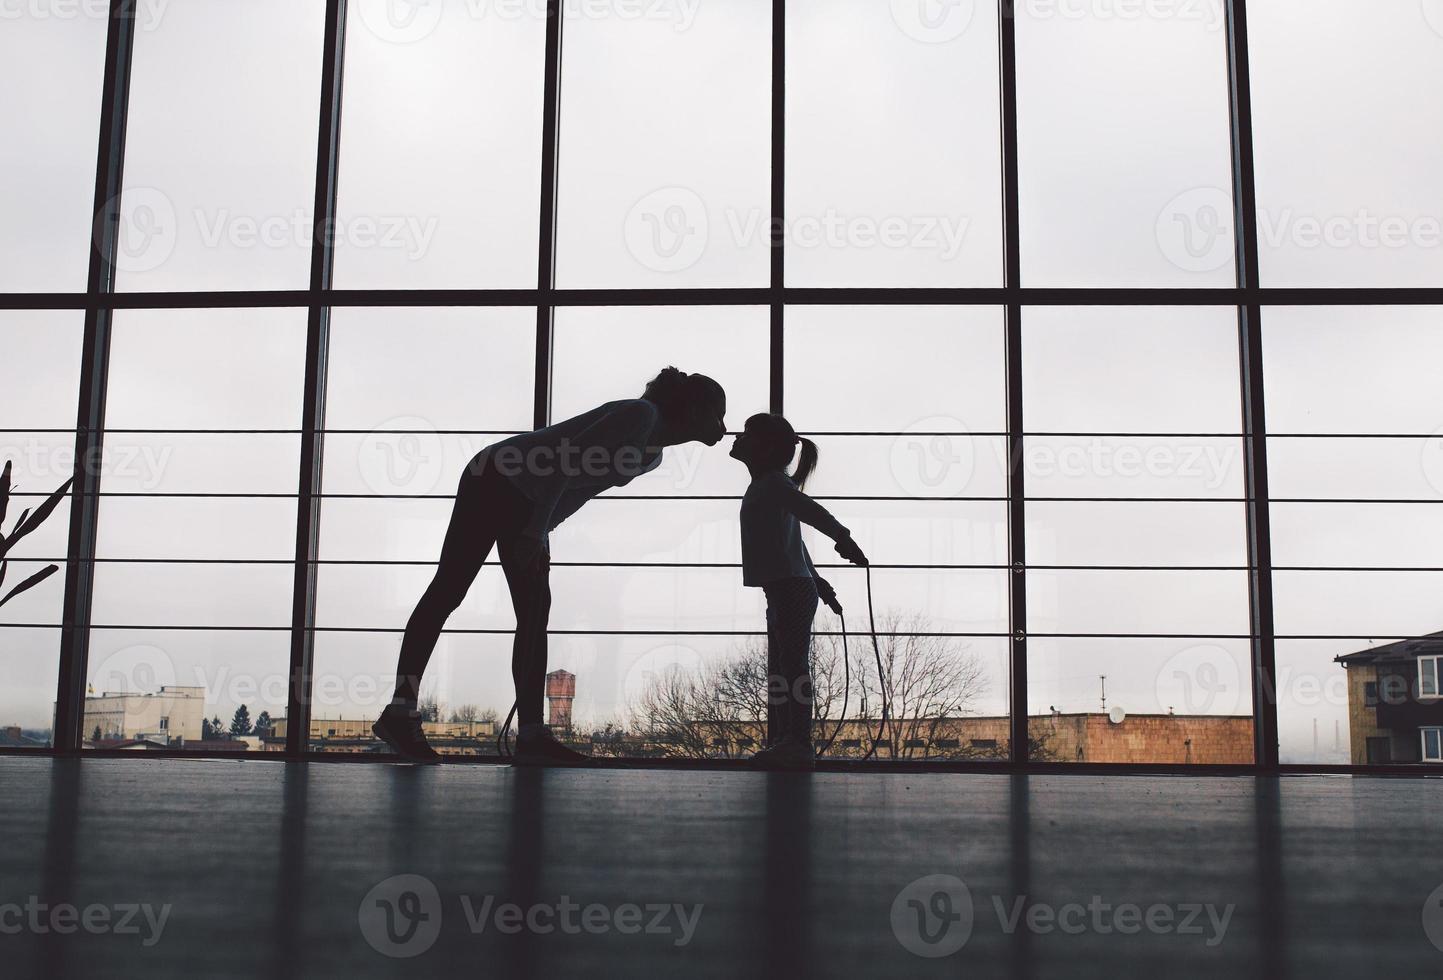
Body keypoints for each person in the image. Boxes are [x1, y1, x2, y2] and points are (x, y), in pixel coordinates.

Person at [374, 367, 728, 765]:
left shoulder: (654, 456)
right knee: (450, 591)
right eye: (719, 414)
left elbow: (580, 487)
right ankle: (405, 712)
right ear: (695, 409)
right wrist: (533, 531)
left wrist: (541, 533)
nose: (724, 426)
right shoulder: (639, 415)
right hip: (495, 477)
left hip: (524, 496)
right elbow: (563, 462)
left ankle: (529, 734)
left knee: (532, 611)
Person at [729, 413, 869, 771]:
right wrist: (819, 582)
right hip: (786, 587)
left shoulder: (774, 484)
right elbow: (794, 542)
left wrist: (843, 537)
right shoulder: (768, 484)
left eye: (747, 434)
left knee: (790, 666)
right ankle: (788, 739)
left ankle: (797, 742)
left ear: (764, 447)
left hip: (789, 588)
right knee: (782, 667)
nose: (737, 438)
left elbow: (811, 513)